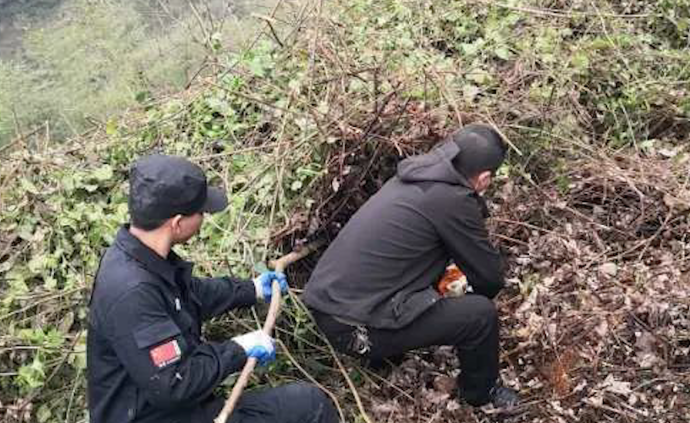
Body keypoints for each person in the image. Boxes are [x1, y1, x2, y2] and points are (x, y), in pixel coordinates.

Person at [87, 155, 338, 423]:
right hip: (158, 413)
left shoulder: (140, 256)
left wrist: (250, 289)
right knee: (310, 406)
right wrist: (238, 349)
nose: (205, 216)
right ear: (177, 222)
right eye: (201, 212)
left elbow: (188, 295)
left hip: (168, 406)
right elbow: (175, 383)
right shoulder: (132, 293)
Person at [303, 123, 519, 409]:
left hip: (329, 304)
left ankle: (387, 355)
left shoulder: (414, 176)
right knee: (479, 315)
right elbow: (490, 280)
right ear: (484, 178)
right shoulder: (452, 200)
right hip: (354, 330)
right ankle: (481, 393)